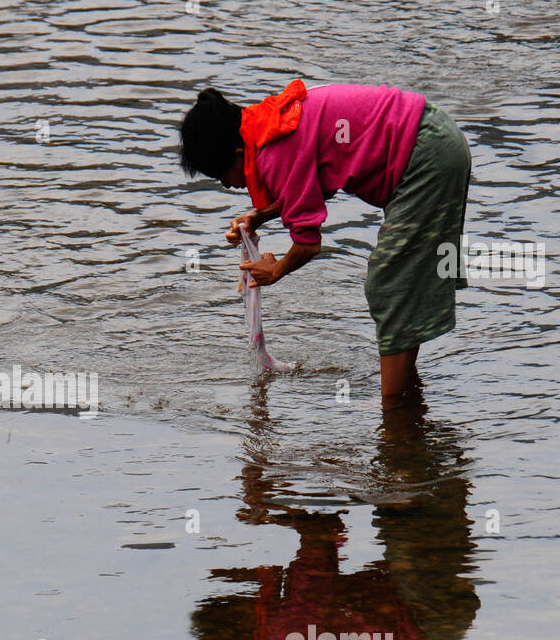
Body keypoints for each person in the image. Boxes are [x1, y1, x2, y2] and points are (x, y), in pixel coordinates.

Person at [179, 81, 471, 407]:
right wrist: (258, 218)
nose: (228, 186)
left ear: (237, 155)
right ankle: (405, 390)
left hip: (424, 153)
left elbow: (307, 244)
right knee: (404, 281)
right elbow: (312, 183)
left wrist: (275, 270)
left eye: (222, 178)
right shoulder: (267, 124)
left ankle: (394, 415)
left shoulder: (274, 152)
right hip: (433, 138)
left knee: (388, 283)